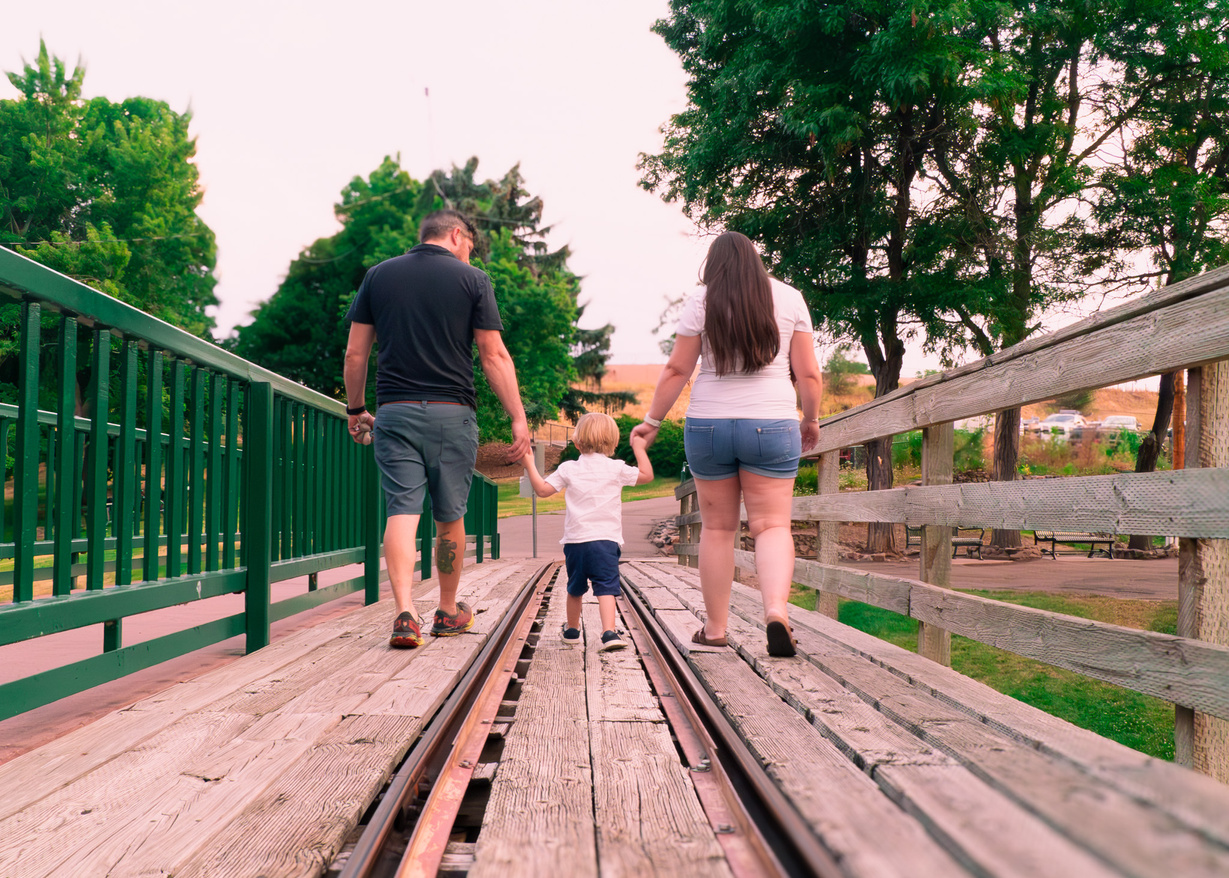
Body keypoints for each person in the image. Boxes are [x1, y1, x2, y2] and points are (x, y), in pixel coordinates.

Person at [344, 209, 530, 649]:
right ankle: (447, 611)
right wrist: (517, 417)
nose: (470, 253)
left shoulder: (378, 276)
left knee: (402, 512)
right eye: (470, 245)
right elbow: (493, 355)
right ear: (456, 235)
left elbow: (355, 354)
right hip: (452, 413)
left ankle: (405, 612)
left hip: (396, 412)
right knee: (449, 516)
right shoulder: (473, 281)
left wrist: (355, 409)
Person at [630, 231, 821, 657]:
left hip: (709, 425)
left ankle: (715, 629)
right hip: (771, 423)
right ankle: (776, 613)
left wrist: (652, 422)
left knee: (717, 528)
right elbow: (808, 374)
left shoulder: (702, 300)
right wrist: (809, 419)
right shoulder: (790, 298)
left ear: (713, 266)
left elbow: (678, 368)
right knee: (771, 526)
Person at [521, 412, 654, 651]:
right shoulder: (616, 468)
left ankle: (572, 631)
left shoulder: (568, 468)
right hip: (605, 540)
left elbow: (542, 490)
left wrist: (530, 463)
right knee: (606, 587)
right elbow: (647, 476)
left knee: (575, 587)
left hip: (576, 541)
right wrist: (639, 449)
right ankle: (609, 632)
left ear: (577, 442)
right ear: (613, 443)